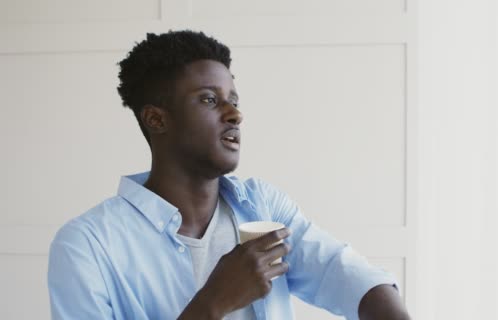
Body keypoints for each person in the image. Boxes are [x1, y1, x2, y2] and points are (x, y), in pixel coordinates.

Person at [47, 30, 410, 320]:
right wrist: (213, 303)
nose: (234, 115)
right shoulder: (87, 246)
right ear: (156, 119)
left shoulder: (263, 207)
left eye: (233, 100)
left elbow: (342, 273)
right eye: (209, 99)